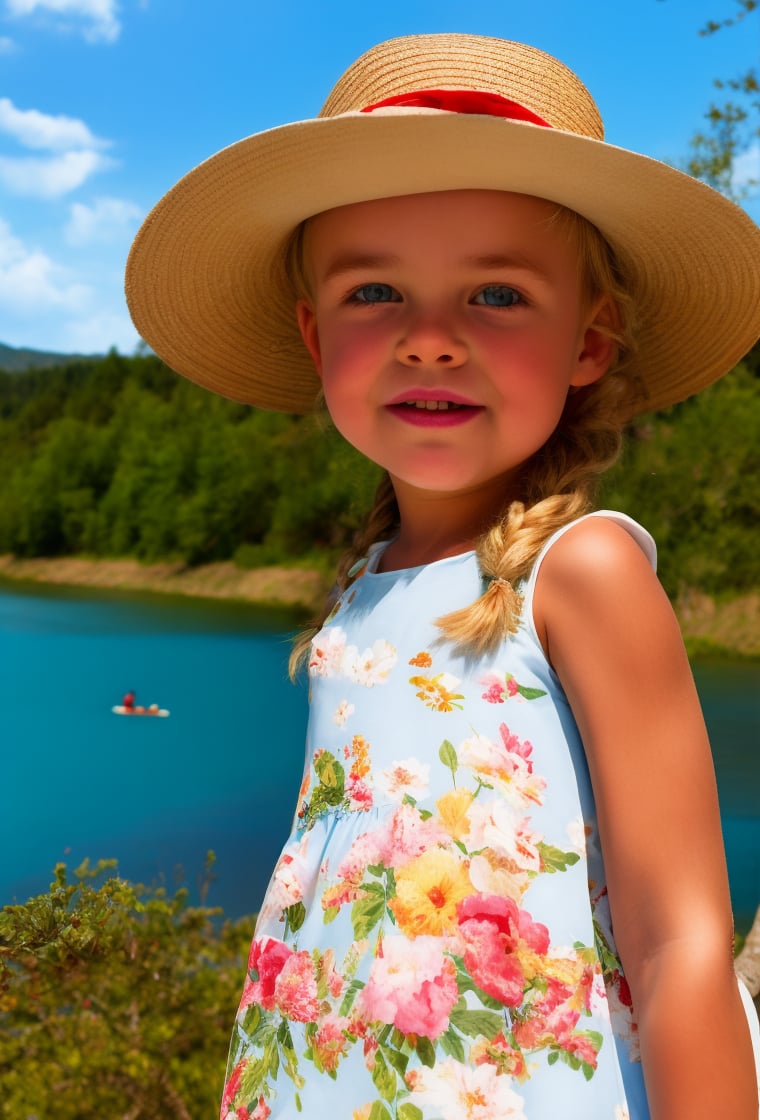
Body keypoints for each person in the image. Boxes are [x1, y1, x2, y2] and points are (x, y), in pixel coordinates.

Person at [125, 33, 760, 1120]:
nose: (428, 341)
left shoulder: (582, 570)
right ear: (314, 336)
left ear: (589, 342)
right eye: (376, 290)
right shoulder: (366, 583)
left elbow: (679, 942)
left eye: (497, 296)